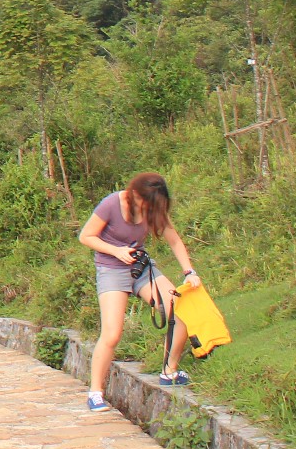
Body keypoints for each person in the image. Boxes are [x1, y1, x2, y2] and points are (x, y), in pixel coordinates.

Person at [77, 172, 202, 412]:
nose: (150, 210)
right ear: (136, 195)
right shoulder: (112, 203)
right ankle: (95, 392)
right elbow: (86, 236)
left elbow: (174, 241)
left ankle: (169, 370)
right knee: (112, 334)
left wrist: (189, 272)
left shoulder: (154, 209)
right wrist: (116, 251)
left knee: (180, 307)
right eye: (147, 204)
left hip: (140, 267)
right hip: (112, 268)